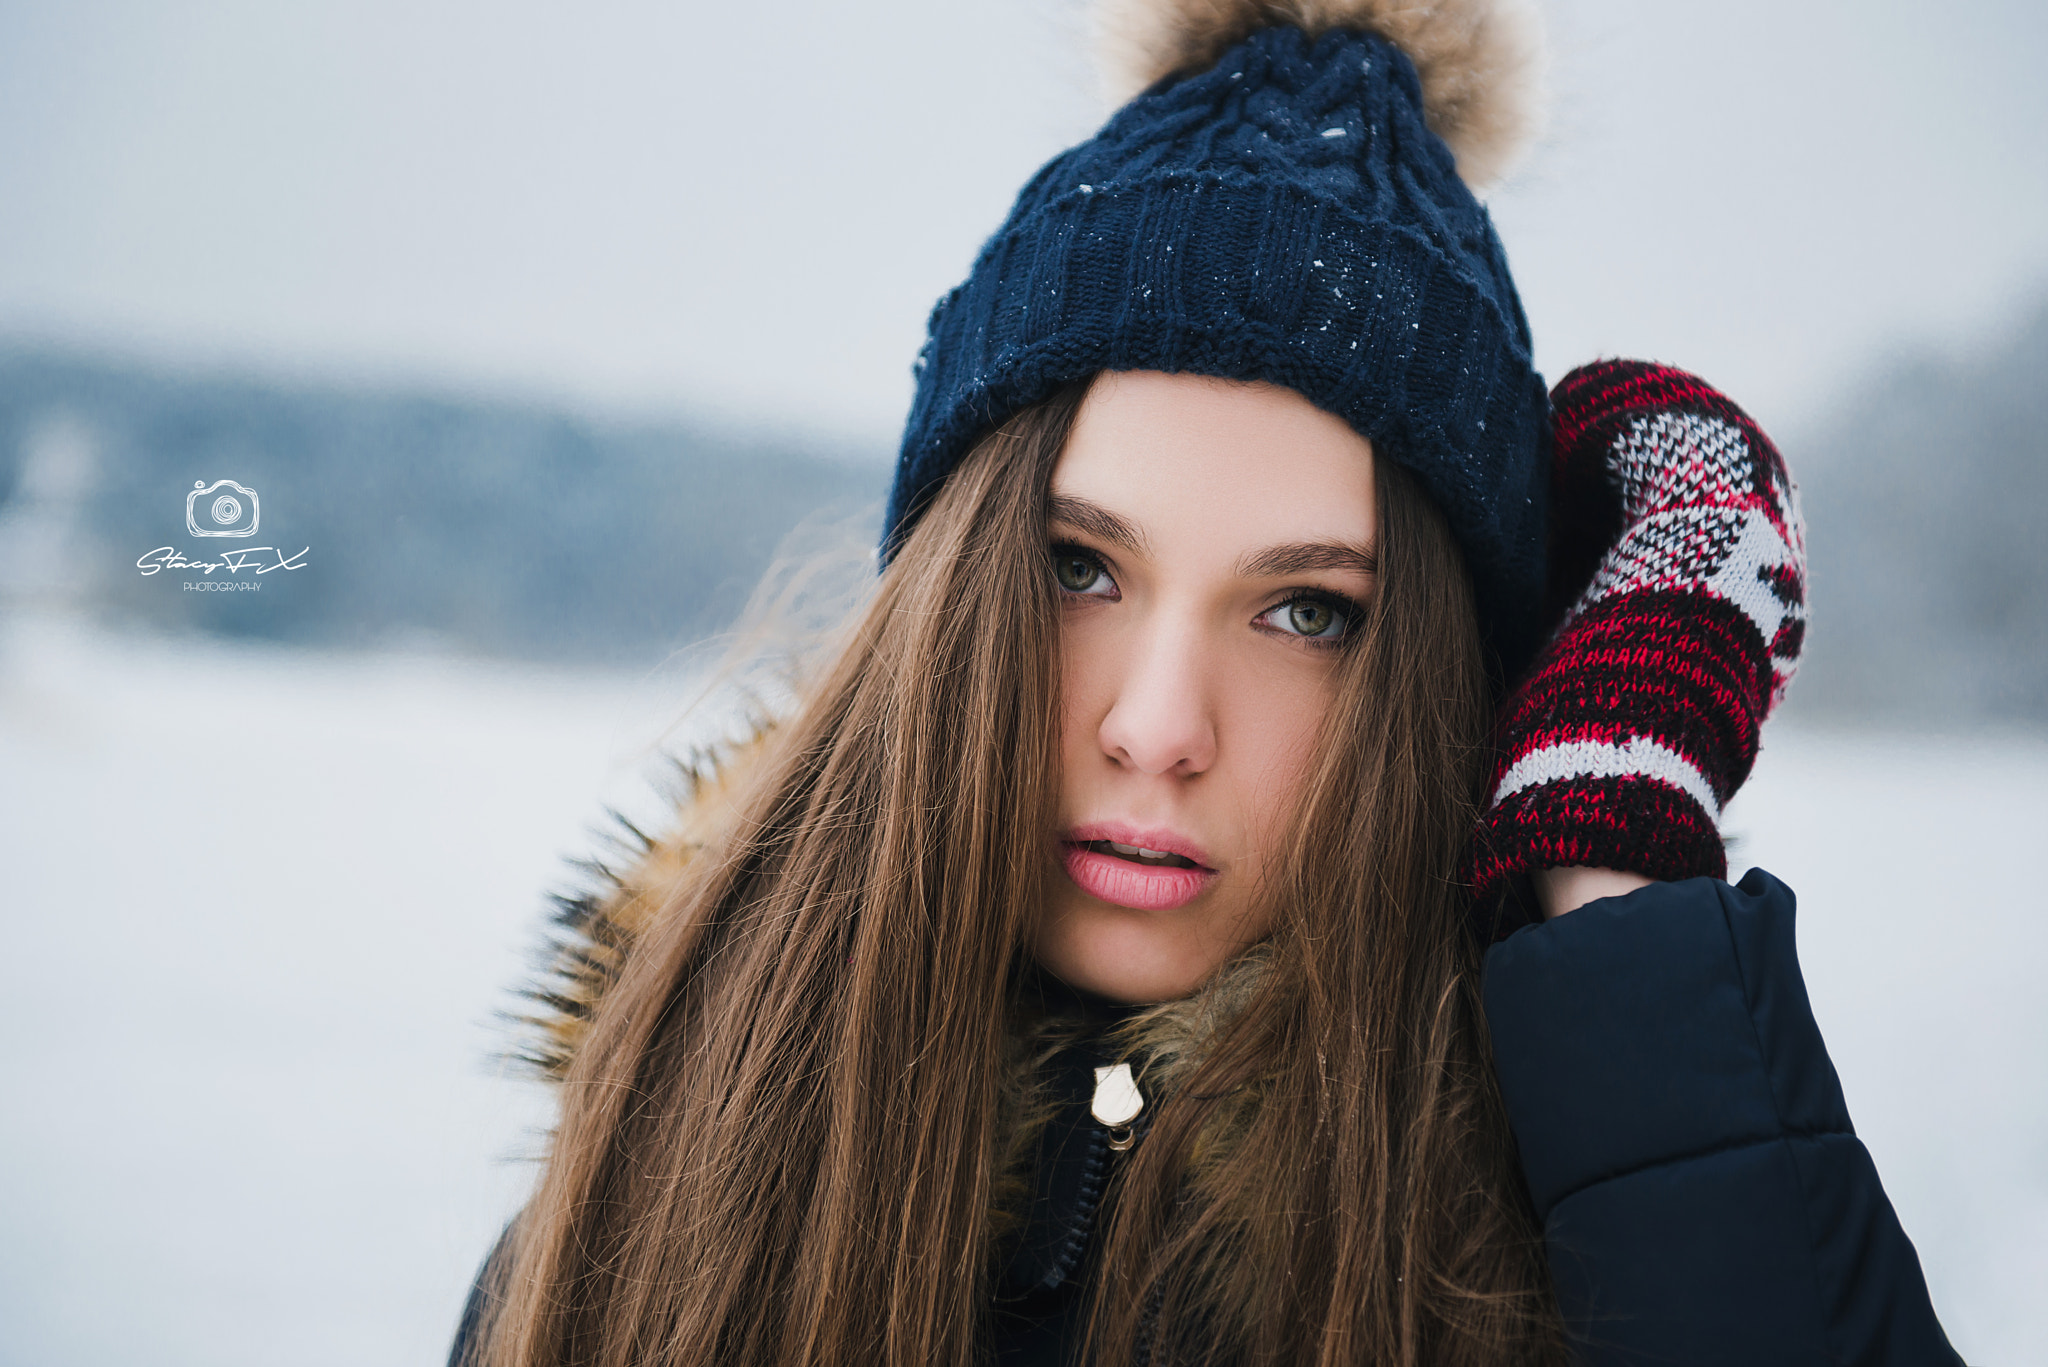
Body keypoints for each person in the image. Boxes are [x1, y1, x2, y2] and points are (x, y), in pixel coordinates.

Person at [451, 1, 1959, 1363]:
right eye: (1080, 569)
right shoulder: (654, 1184)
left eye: (1309, 611)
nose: (1157, 729)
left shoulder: (1568, 1247)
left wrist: (1611, 881)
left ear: (1446, 677)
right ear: (949, 591)